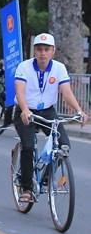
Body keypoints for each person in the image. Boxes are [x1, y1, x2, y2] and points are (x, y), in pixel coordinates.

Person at [13, 33, 86, 203]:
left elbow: (66, 92)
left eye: (46, 49)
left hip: (47, 111)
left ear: (53, 51)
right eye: (39, 49)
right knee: (29, 146)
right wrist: (24, 110)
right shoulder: (24, 67)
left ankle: (46, 178)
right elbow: (20, 91)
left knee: (64, 145)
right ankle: (27, 188)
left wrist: (79, 110)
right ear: (34, 51)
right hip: (26, 110)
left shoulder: (59, 68)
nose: (43, 53)